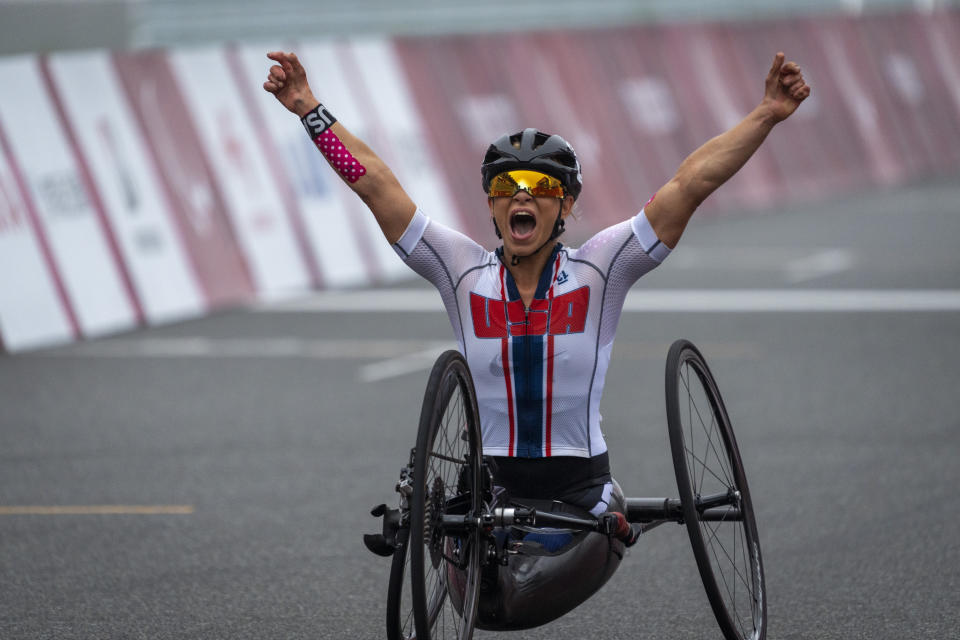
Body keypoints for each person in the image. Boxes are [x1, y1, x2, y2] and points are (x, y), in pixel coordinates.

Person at [264, 49, 809, 628]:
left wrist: (768, 113)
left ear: (565, 203)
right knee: (489, 582)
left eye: (541, 184)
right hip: (488, 495)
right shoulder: (461, 271)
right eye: (506, 184)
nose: (522, 195)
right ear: (492, 203)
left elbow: (690, 182)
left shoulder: (603, 268)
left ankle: (547, 549)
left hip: (582, 496)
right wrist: (307, 108)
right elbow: (374, 183)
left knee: (505, 590)